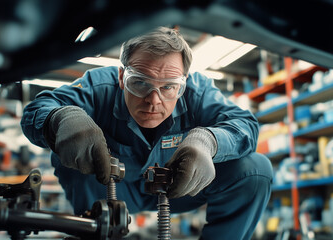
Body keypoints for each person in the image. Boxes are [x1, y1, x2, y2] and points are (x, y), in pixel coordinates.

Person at [21, 26, 273, 240]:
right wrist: (60, 119)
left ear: (184, 84)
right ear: (121, 77)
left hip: (180, 187)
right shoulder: (98, 87)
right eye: (139, 82)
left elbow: (244, 125)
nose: (154, 100)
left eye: (169, 87)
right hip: (110, 190)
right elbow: (38, 109)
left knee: (254, 169)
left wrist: (209, 142)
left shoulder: (199, 91)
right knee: (70, 151)